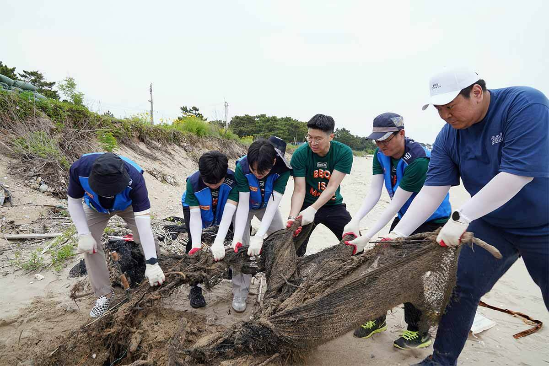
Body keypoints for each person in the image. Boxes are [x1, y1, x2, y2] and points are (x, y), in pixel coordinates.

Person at [382, 67, 548, 366]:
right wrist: (398, 234)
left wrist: (460, 218)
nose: (445, 115)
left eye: (450, 106)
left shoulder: (524, 104)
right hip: (494, 223)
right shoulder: (448, 137)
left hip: (543, 224)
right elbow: (432, 192)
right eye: (438, 109)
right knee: (461, 289)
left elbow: (516, 175)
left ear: (476, 92)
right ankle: (441, 361)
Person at [343, 112, 452, 349]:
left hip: (431, 222)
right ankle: (377, 317)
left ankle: (418, 331)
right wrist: (356, 220)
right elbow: (375, 192)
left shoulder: (418, 161)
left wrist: (368, 236)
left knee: (409, 274)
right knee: (381, 268)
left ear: (402, 133)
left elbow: (395, 203)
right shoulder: (380, 154)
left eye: (386, 139)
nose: (381, 145)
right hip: (404, 219)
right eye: (377, 140)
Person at [67, 152, 165, 318]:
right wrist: (83, 234)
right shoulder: (79, 169)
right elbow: (74, 200)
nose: (109, 193)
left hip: (127, 205)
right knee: (90, 245)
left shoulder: (136, 179)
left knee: (144, 238)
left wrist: (152, 262)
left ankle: (158, 273)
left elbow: (143, 226)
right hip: (96, 207)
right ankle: (104, 295)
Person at [230, 136, 292, 312]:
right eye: (254, 170)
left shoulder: (283, 170)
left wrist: (259, 236)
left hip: (267, 207)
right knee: (241, 247)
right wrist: (237, 236)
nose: (257, 174)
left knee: (281, 240)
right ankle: (240, 291)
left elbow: (274, 204)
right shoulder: (241, 166)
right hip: (246, 206)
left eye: (262, 172)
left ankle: (278, 287)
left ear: (273, 162)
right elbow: (242, 204)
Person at [287, 114, 354, 257]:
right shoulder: (300, 154)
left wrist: (314, 209)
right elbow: (299, 190)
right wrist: (293, 217)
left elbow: (332, 186)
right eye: (310, 137)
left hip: (333, 205)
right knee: (293, 248)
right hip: (306, 206)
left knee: (354, 240)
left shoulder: (343, 152)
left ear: (331, 137)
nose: (313, 143)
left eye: (318, 138)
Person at [181, 151, 238, 309]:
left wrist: (219, 241)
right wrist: (197, 245)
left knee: (231, 236)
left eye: (216, 183)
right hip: (196, 209)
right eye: (209, 183)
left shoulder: (233, 180)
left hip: (225, 208)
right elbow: (194, 215)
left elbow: (229, 213)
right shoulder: (193, 183)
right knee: (193, 241)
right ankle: (195, 286)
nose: (213, 186)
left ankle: (229, 269)